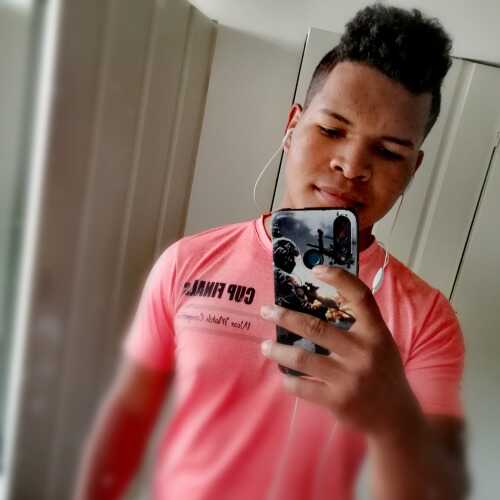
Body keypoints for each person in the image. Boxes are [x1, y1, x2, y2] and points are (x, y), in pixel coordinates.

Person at [74, 4, 468, 500]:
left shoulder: (427, 319)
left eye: (388, 152)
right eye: (332, 130)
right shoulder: (186, 263)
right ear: (292, 127)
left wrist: (394, 420)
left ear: (413, 169)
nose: (352, 165)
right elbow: (130, 411)